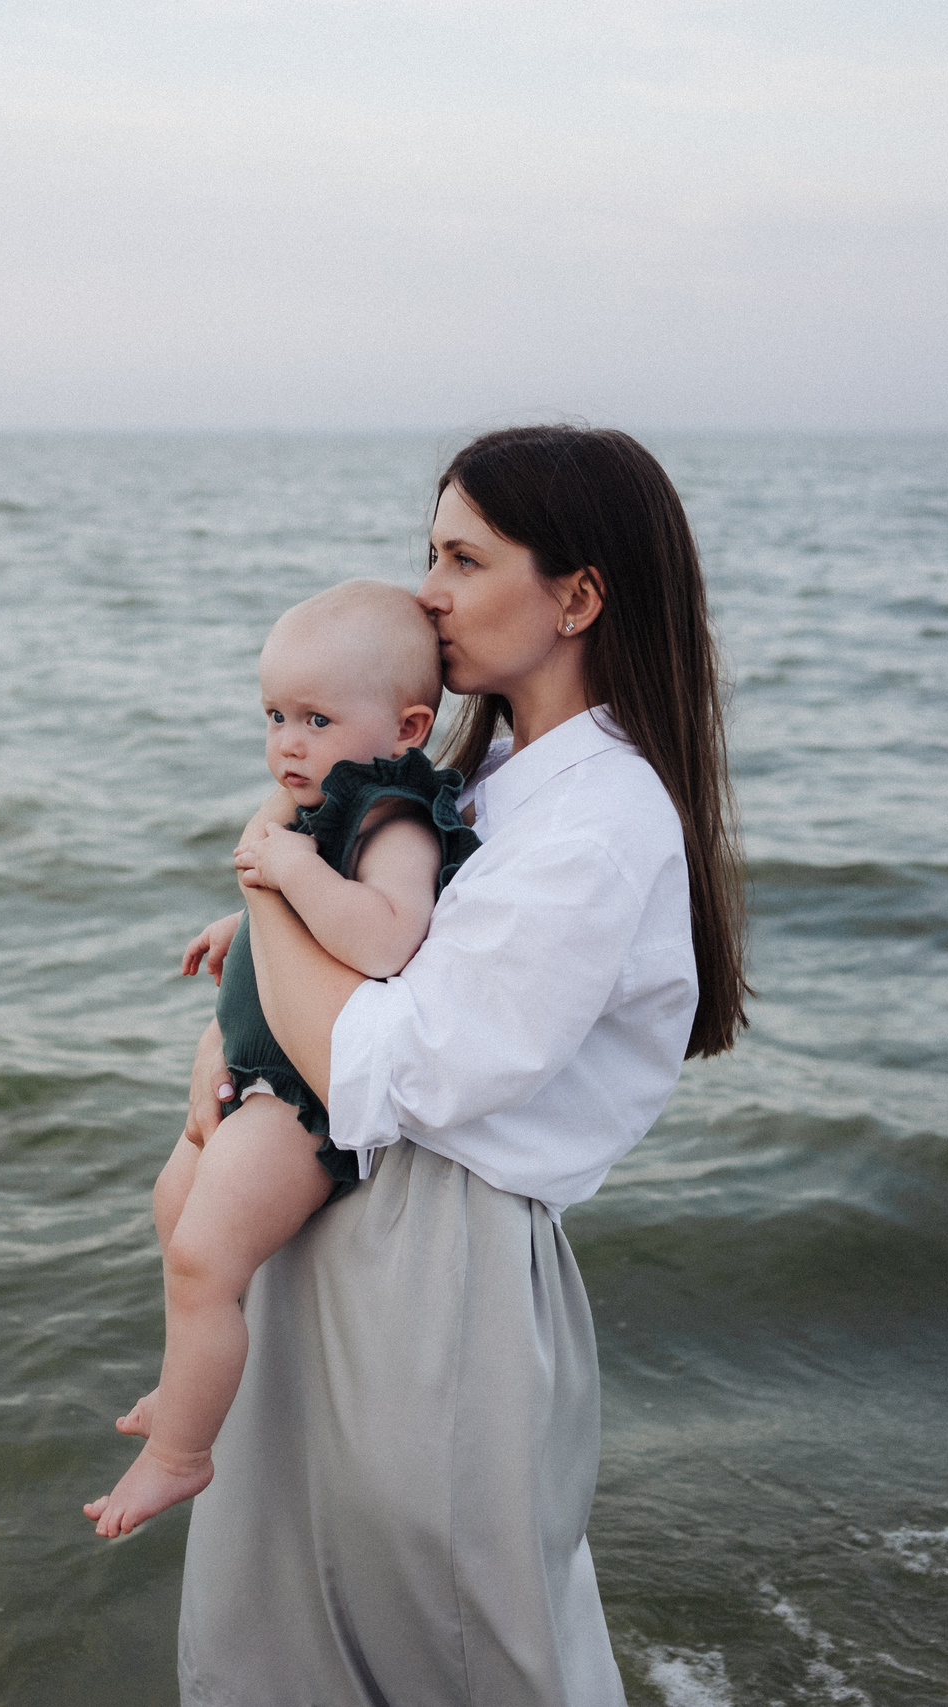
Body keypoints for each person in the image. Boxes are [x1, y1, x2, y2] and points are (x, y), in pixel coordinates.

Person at [173, 425, 748, 1705]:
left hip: (442, 1254)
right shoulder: (479, 776)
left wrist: (265, 864)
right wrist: (235, 1019)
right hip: (351, 1208)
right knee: (289, 1622)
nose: (426, 588)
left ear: (578, 597)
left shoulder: (597, 823)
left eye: (464, 558)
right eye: (426, 552)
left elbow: (387, 1060)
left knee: (453, 1645)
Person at [87, 580, 479, 1539]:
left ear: (407, 724)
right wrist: (243, 924)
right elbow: (304, 917)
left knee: (203, 1252)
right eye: (274, 717)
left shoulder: (395, 815)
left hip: (301, 1098)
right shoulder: (322, 801)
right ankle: (186, 1387)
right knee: (173, 1208)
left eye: (314, 717)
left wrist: (290, 873)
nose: (288, 742)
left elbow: (386, 936)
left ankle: (183, 1451)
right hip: (255, 1074)